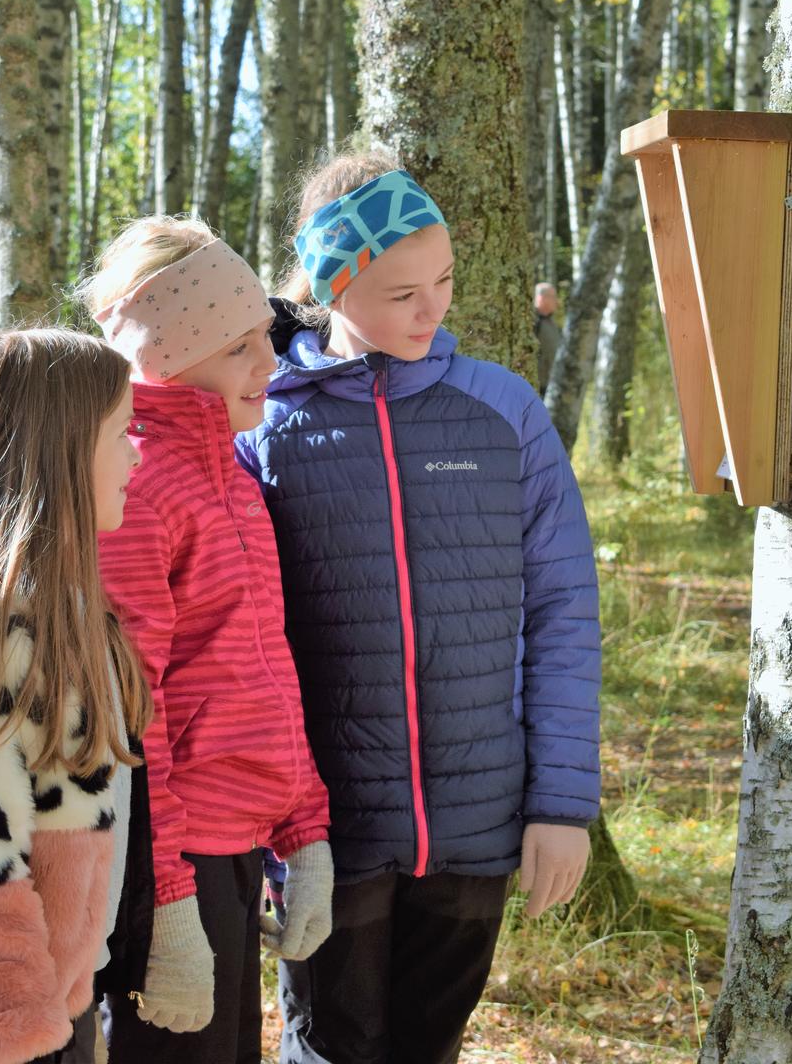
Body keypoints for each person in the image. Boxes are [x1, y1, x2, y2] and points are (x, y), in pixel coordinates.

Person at [237, 153, 601, 1064]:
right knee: (331, 1047)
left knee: (430, 1046)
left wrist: (562, 803)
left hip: (478, 823)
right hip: (331, 828)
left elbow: (562, 608)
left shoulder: (502, 411)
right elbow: (240, 642)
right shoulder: (265, 427)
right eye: (403, 292)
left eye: (442, 281)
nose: (432, 308)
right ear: (333, 283)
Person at [78, 218, 332, 1064]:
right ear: (166, 359)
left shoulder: (234, 475)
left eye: (267, 334)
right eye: (240, 348)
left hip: (236, 850)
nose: (270, 362)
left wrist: (305, 834)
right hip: (168, 864)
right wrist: (171, 905)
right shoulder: (136, 486)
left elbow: (268, 670)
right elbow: (131, 712)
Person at [0, 328, 152, 1064]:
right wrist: (17, 1030)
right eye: (121, 432)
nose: (137, 454)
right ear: (58, 451)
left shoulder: (68, 615)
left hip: (60, 1005)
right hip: (9, 1030)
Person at [533, 281, 561, 398]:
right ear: (541, 298)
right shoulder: (533, 321)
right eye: (553, 297)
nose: (557, 301)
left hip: (550, 385)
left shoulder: (551, 323)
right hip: (535, 385)